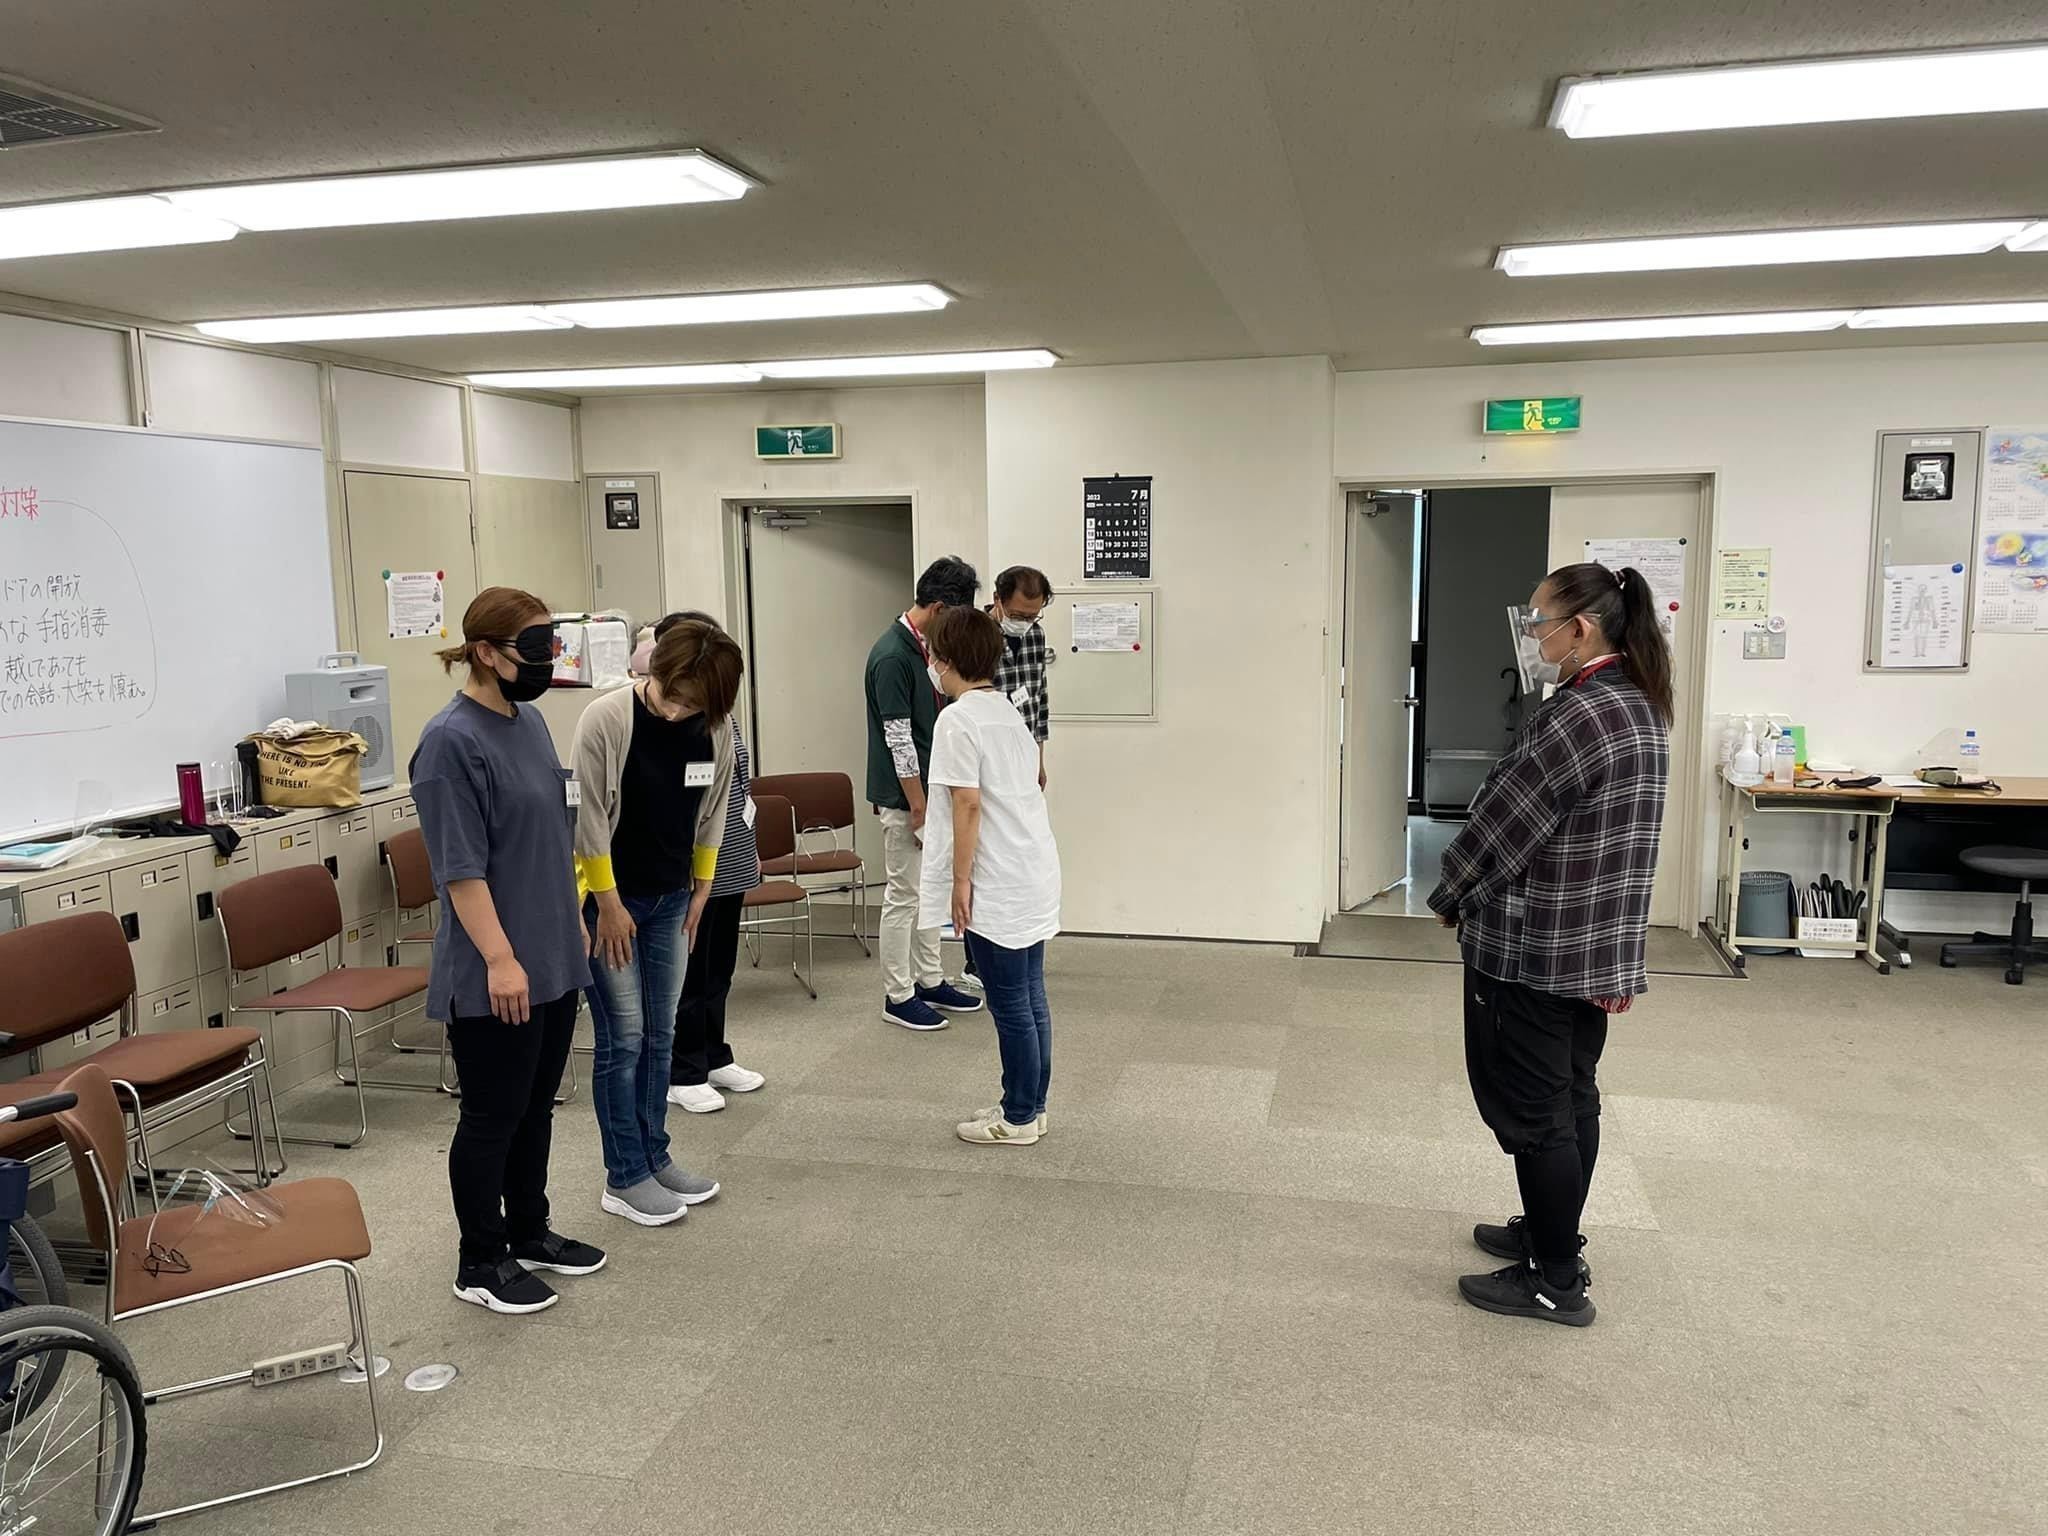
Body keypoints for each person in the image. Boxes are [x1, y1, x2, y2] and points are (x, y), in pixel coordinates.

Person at [1428, 562, 1673, 1329]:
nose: (1533, 636)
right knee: (1570, 1094)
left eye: (1539, 622)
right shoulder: (1637, 701)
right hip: (1592, 943)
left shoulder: (1579, 715)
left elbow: (1503, 826)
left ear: (1581, 628)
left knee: (1536, 1112)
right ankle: (1549, 1232)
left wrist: (1451, 895)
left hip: (1536, 946)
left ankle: (1555, 1279)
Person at [412, 587, 602, 1316]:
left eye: (554, 644)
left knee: (536, 1107)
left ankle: (529, 1229)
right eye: (536, 648)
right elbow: (460, 871)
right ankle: (481, 1258)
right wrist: (500, 959)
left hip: (552, 952)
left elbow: (550, 836)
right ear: (486, 653)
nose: (549, 660)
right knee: (493, 1115)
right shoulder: (449, 743)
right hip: (495, 967)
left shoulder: (530, 722)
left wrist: (572, 917)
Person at [572, 617, 739, 1226]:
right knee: (624, 1039)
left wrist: (702, 888)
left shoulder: (715, 727)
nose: (675, 711)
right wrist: (608, 904)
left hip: (672, 897)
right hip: (609, 900)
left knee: (661, 1034)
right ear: (655, 672)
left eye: (690, 704)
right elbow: (588, 817)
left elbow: (713, 809)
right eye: (670, 695)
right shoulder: (606, 719)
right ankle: (624, 1176)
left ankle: (654, 1157)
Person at [919, 607, 1062, 1145]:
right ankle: (1030, 1105)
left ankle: (1018, 1117)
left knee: (1011, 1006)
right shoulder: (1007, 711)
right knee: (1030, 995)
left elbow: (968, 804)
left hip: (997, 878)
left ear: (945, 658)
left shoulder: (957, 719)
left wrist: (960, 883)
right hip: (1029, 869)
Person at [863, 555, 986, 1031]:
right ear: (938, 609)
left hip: (932, 794)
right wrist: (918, 806)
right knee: (904, 895)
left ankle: (930, 979)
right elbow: (898, 739)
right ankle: (898, 994)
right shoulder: (893, 656)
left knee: (930, 888)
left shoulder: (924, 649)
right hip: (906, 800)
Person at [654, 611, 768, 1114]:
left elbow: (737, 785)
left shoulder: (720, 712)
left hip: (733, 852)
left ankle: (714, 1054)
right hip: (692, 864)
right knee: (690, 974)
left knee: (719, 969)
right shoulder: (674, 719)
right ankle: (683, 1070)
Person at [990, 566, 1055, 789]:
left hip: (1026, 751)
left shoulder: (1035, 634)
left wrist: (1039, 760)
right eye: (1017, 615)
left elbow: (1040, 699)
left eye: (1032, 616)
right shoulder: (977, 636)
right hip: (990, 753)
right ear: (998, 599)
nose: (1024, 622)